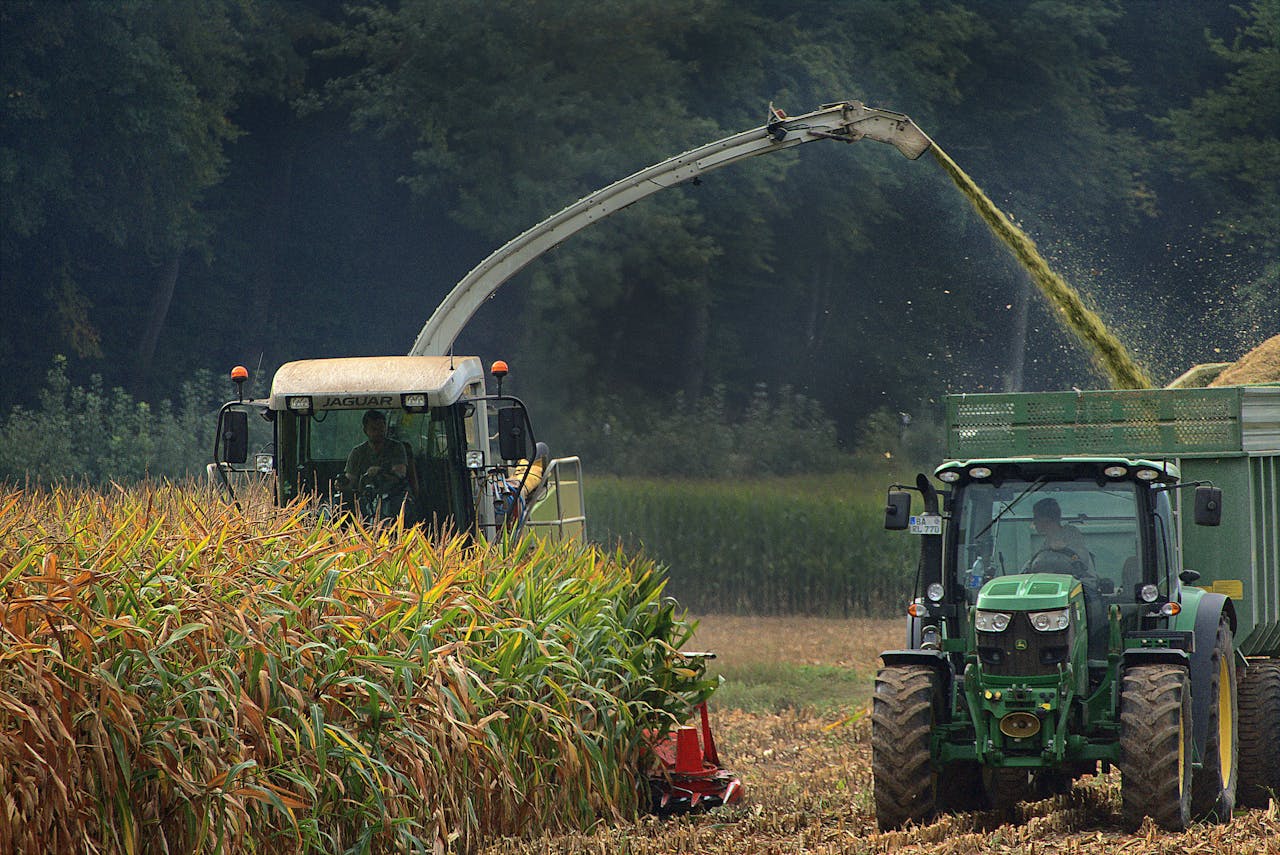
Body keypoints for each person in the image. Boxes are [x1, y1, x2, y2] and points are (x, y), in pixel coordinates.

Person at [344, 410, 418, 521]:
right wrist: (343, 484)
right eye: (374, 429)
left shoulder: (397, 448)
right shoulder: (357, 453)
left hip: (394, 495)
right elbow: (351, 480)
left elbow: (400, 473)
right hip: (365, 498)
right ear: (365, 431)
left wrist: (381, 471)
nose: (378, 432)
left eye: (381, 428)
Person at [1030, 498, 1089, 564]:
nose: (1034, 522)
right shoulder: (1047, 541)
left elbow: (1082, 560)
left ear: (1047, 519)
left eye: (1036, 517)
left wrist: (1065, 549)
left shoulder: (1070, 534)